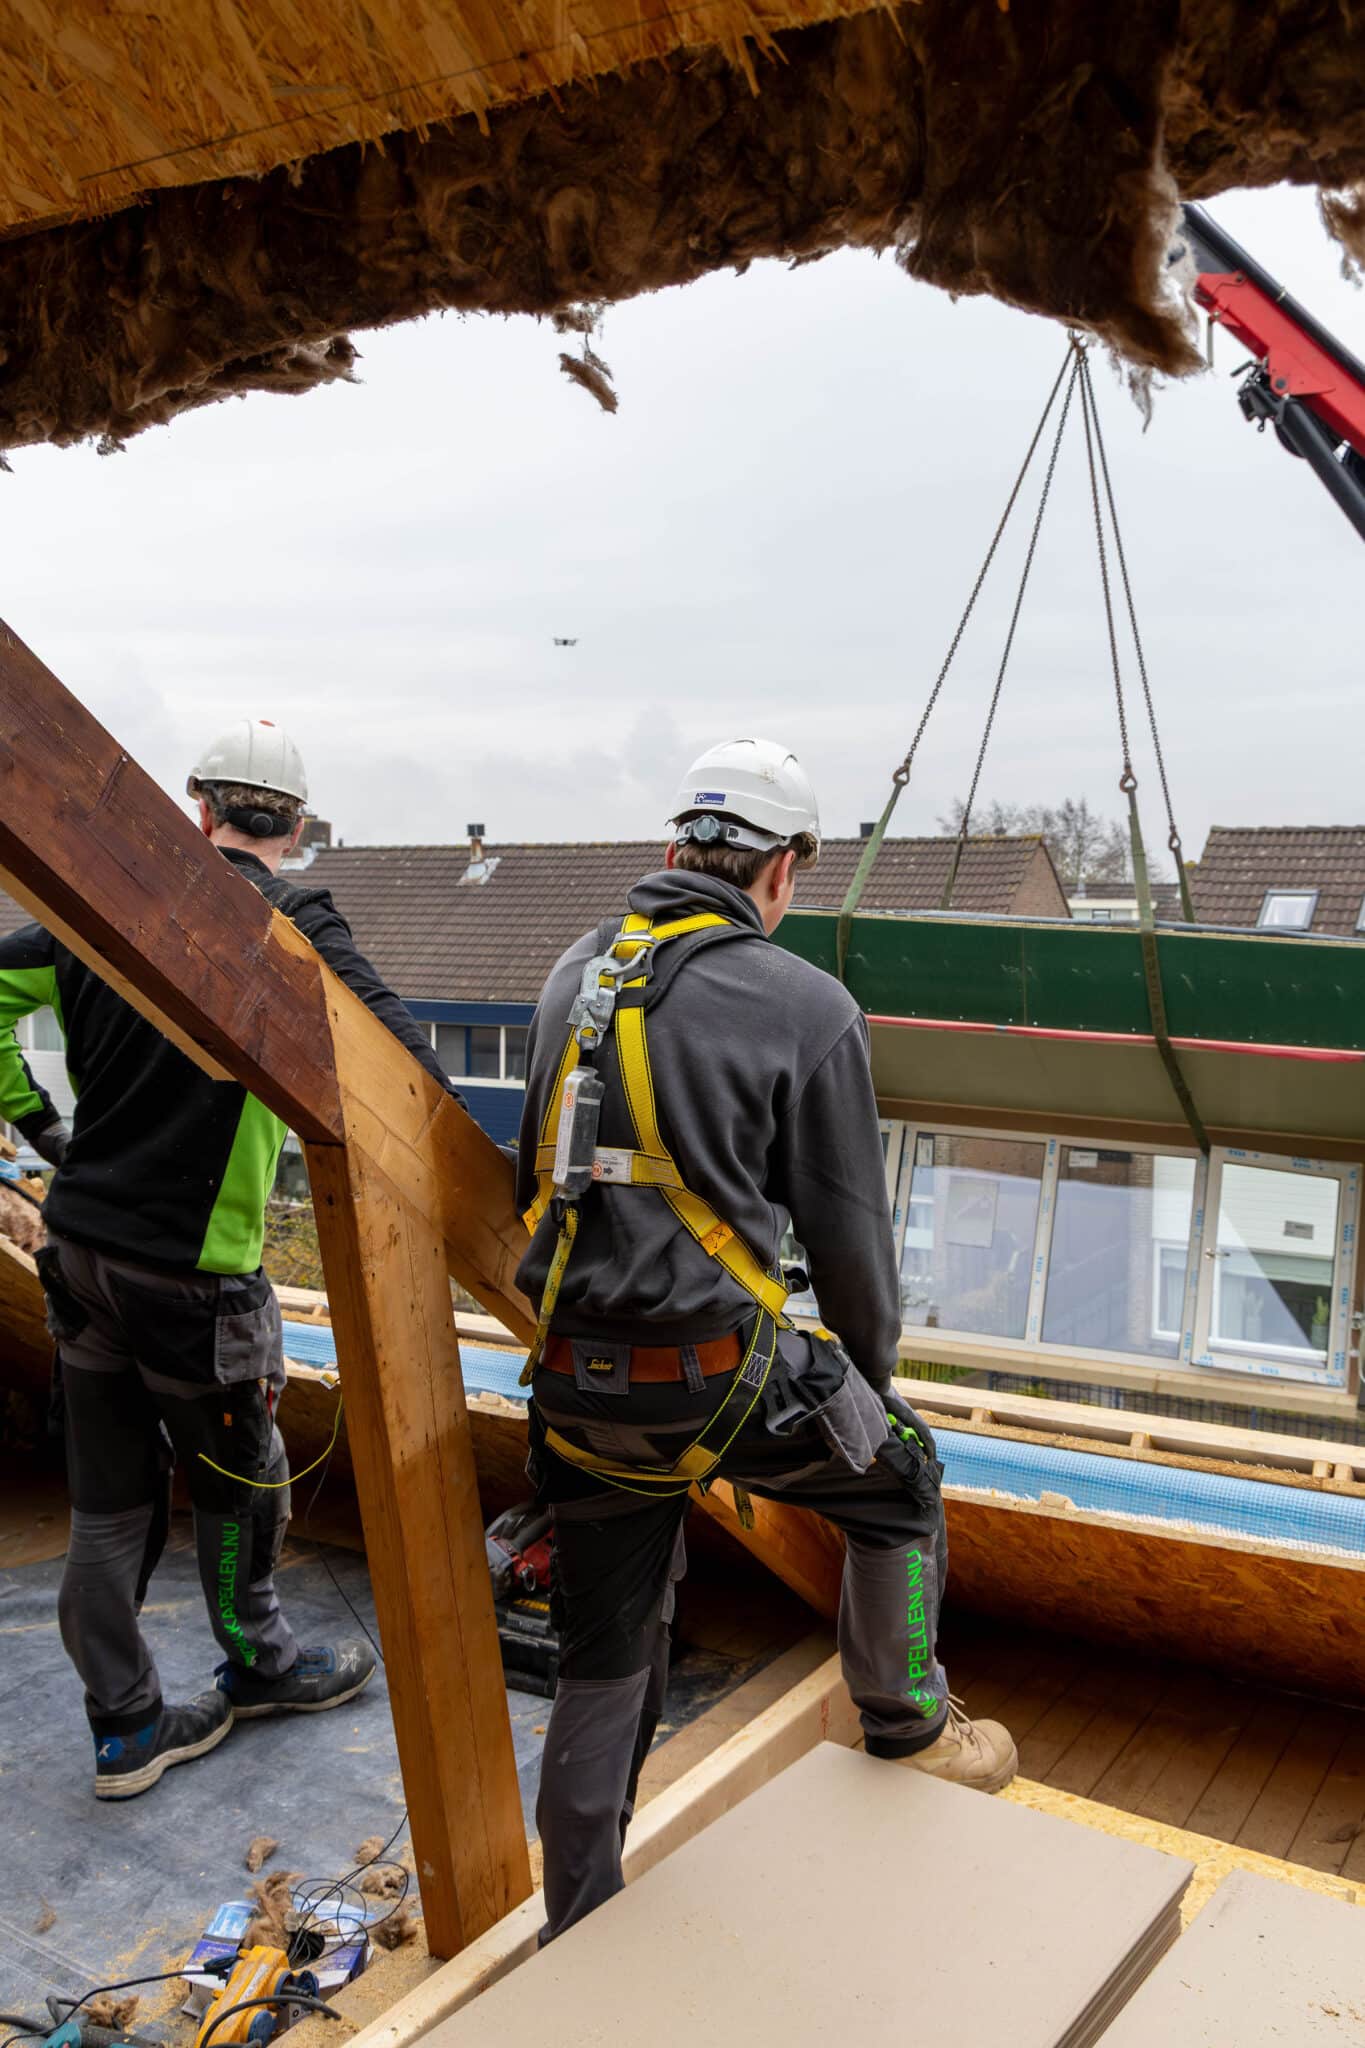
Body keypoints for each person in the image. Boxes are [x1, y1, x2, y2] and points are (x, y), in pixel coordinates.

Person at [517, 736, 1018, 1939]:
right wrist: (871, 1390)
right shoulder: (805, 1005)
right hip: (718, 1378)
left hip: (575, 1390)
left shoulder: (567, 977)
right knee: (899, 1482)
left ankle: (575, 1920)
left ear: (678, 848)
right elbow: (853, 1253)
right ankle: (906, 1720)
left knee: (606, 1641)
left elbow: (531, 1181)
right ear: (784, 868)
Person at [0, 719, 462, 1799]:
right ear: (295, 823)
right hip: (194, 1279)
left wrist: (42, 1130)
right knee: (240, 1483)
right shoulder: (294, 922)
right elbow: (402, 1061)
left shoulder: (106, 912)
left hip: (82, 1248)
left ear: (197, 804)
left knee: (109, 1502)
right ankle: (263, 1663)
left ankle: (125, 1727)